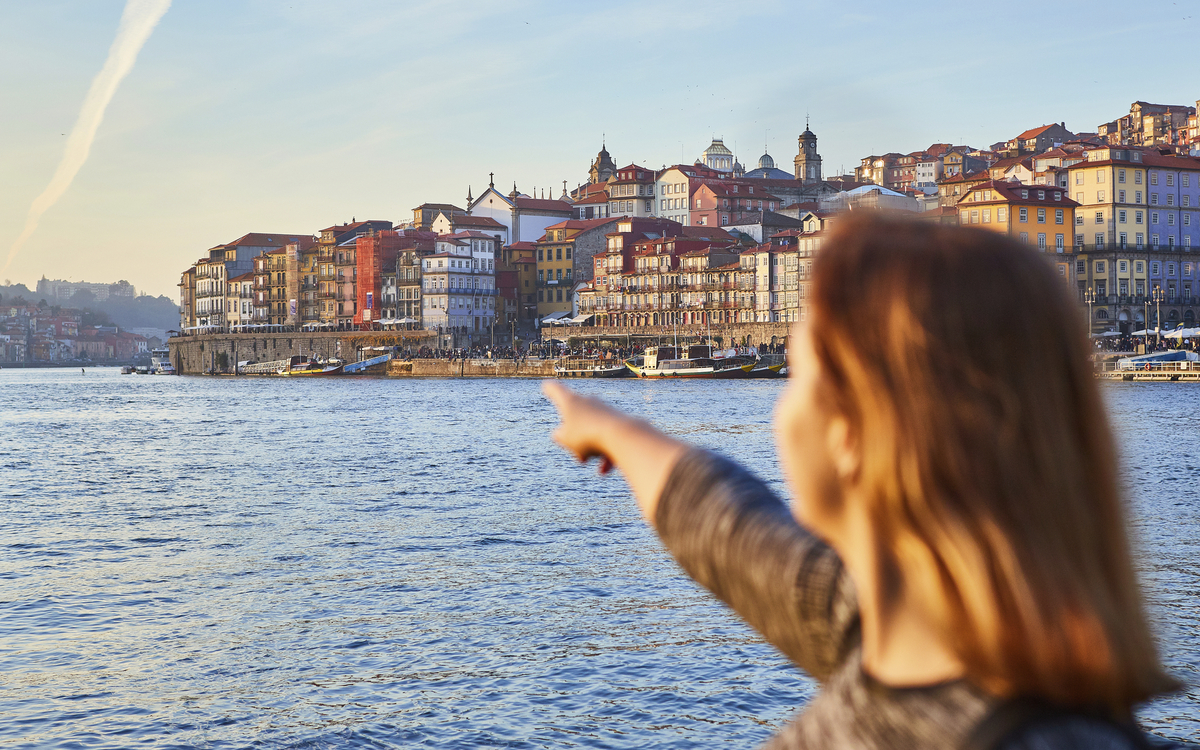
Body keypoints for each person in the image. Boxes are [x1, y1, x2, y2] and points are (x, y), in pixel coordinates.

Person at [544, 214, 1182, 749]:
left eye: (798, 373)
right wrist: (617, 434)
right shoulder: (888, 624)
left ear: (848, 432)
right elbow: (726, 526)